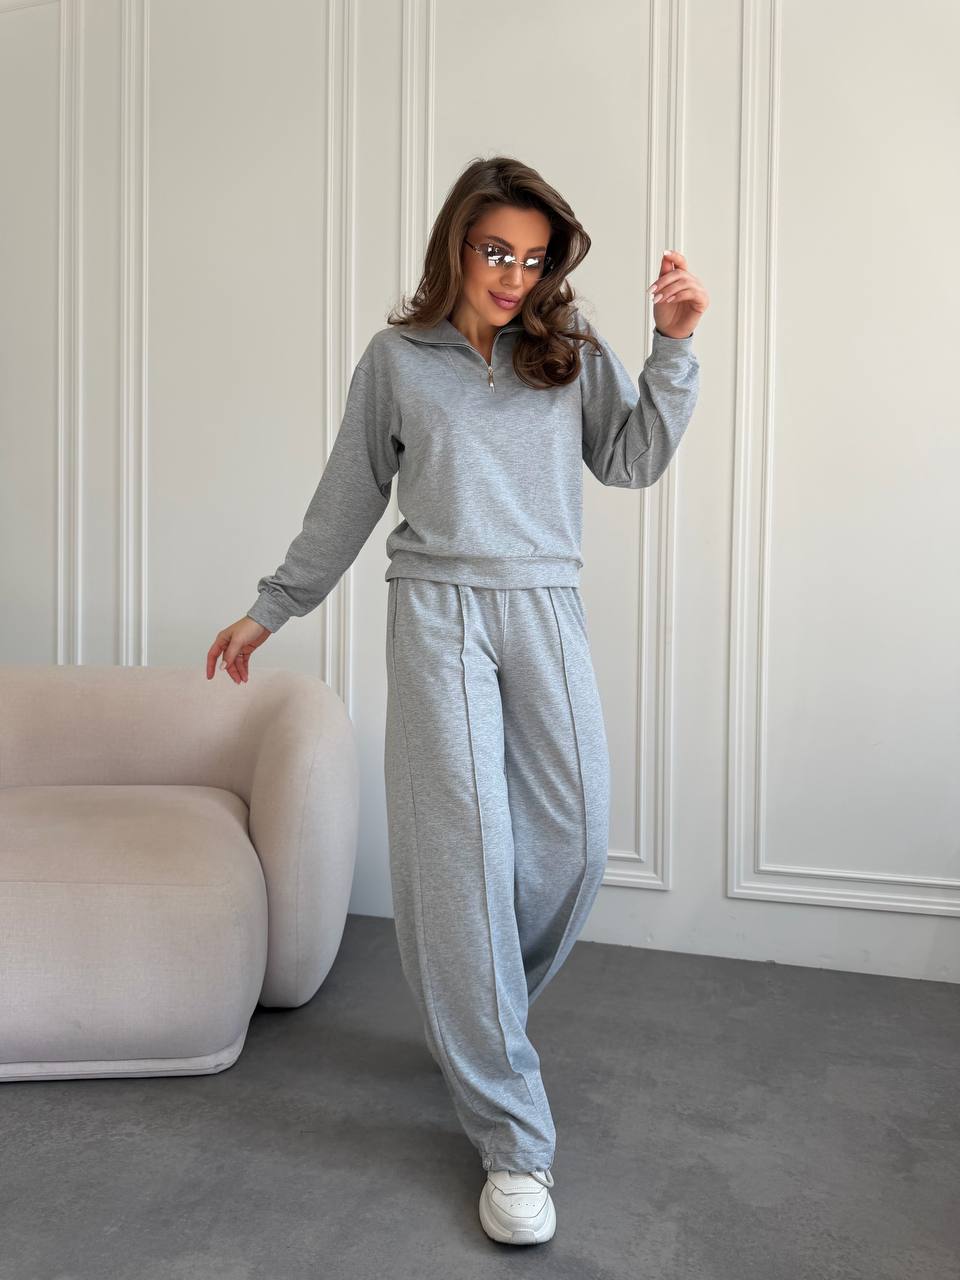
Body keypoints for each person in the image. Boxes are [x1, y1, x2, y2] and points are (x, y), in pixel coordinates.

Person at [205, 155, 707, 1246]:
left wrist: (672, 347)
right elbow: (346, 497)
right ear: (456, 245)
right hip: (436, 613)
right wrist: (271, 607)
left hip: (543, 604)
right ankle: (515, 1140)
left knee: (576, 842)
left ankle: (473, 1018)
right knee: (467, 851)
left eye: (532, 258)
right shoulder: (397, 361)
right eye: (495, 252)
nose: (513, 276)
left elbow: (631, 460)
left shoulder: (567, 349)